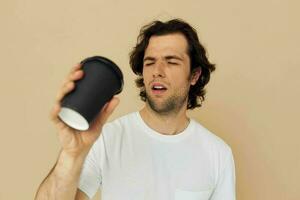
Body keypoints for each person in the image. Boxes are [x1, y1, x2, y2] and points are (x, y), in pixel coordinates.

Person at [35, 19, 236, 200]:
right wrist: (72, 154)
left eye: (171, 61)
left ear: (194, 75)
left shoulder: (218, 154)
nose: (157, 71)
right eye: (150, 62)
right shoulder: (106, 139)